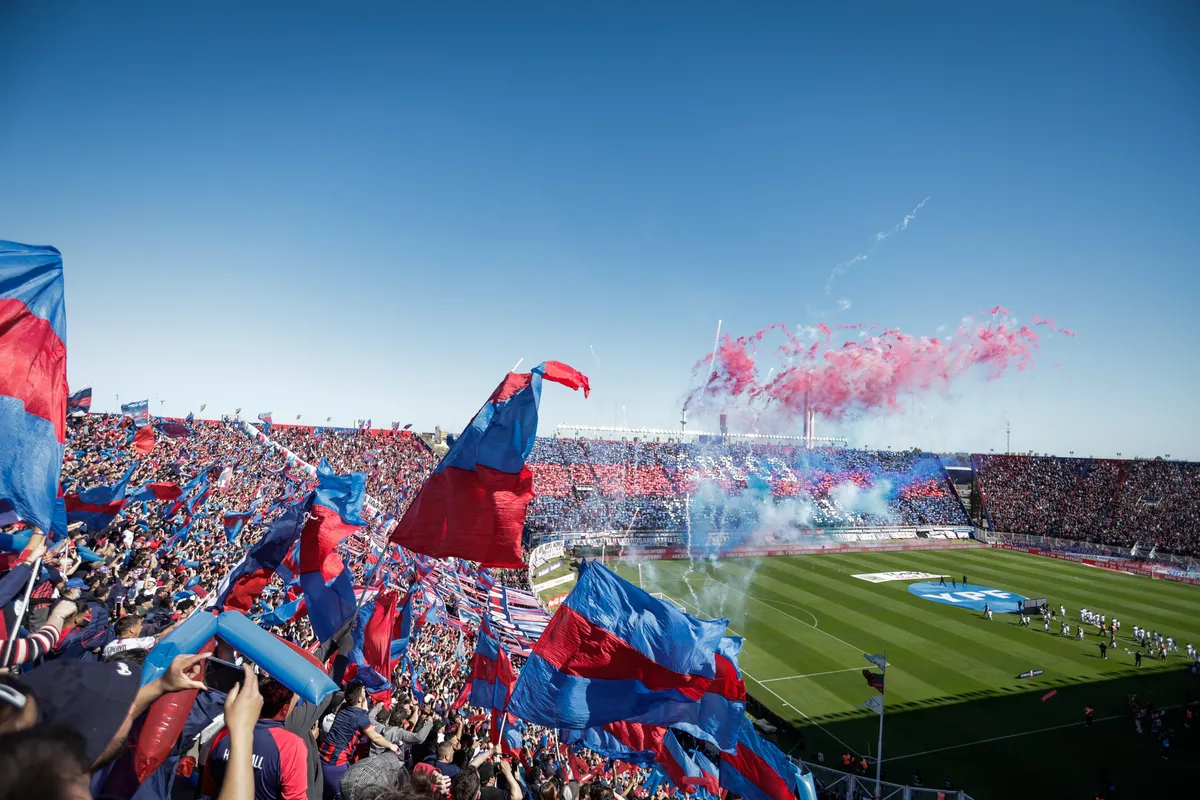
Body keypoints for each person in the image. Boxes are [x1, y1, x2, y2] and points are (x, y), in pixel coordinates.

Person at [202, 675, 309, 800]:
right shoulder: (292, 745)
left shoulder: (226, 732)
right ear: (284, 709)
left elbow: (208, 787)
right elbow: (296, 797)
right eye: (293, 704)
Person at [318, 682, 400, 799]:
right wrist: (391, 745)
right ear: (360, 698)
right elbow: (376, 737)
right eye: (363, 692)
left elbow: (359, 716)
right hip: (335, 763)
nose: (365, 693)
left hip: (322, 756)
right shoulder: (360, 717)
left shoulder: (344, 707)